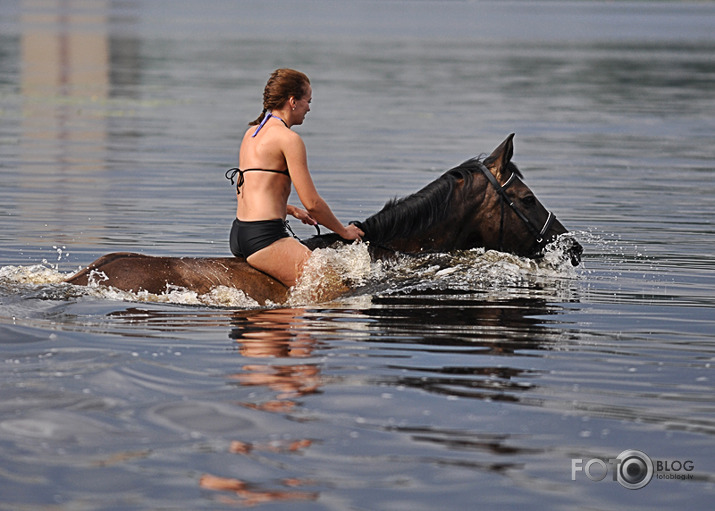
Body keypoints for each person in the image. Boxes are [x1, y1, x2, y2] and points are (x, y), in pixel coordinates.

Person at [227, 68, 363, 287]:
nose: (309, 107)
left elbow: (246, 189)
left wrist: (289, 209)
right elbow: (313, 203)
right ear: (292, 101)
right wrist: (344, 231)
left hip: (239, 234)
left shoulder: (251, 133)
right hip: (266, 238)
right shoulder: (289, 139)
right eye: (308, 101)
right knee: (335, 288)